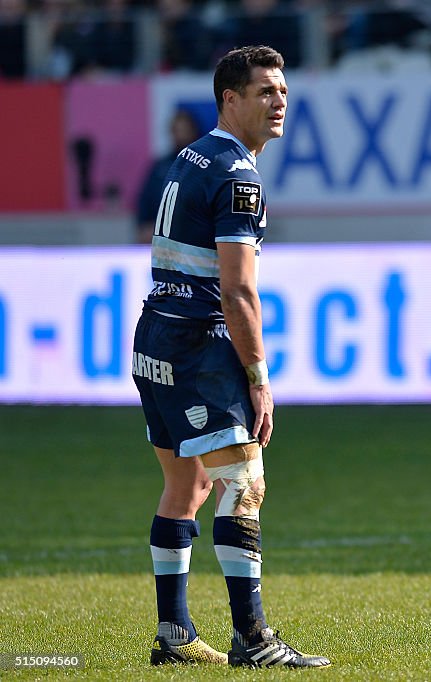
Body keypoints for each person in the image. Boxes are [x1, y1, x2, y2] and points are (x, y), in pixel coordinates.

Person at [131, 44, 330, 669]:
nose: (279, 103)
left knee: (183, 485)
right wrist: (260, 379)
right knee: (245, 482)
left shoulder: (188, 160)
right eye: (266, 92)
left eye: (283, 92)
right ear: (230, 100)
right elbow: (238, 289)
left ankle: (174, 634)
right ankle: (254, 638)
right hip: (198, 345)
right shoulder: (237, 175)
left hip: (155, 338)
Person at [135, 109, 201, 244]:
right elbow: (145, 200)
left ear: (193, 132)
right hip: (160, 234)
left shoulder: (205, 166)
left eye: (185, 130)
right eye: (177, 130)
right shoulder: (160, 166)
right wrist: (144, 226)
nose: (181, 135)